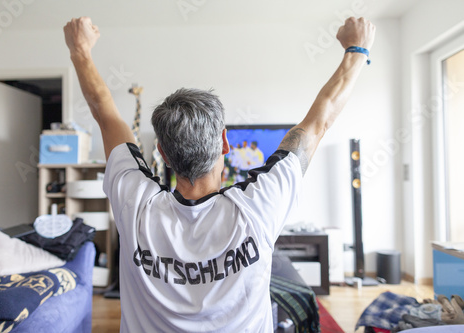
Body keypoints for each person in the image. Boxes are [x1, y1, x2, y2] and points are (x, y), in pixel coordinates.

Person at [64, 16, 375, 332]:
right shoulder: (260, 204)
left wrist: (80, 49)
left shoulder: (135, 203)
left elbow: (104, 112)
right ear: (225, 143)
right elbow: (320, 120)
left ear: (162, 153)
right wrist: (356, 49)